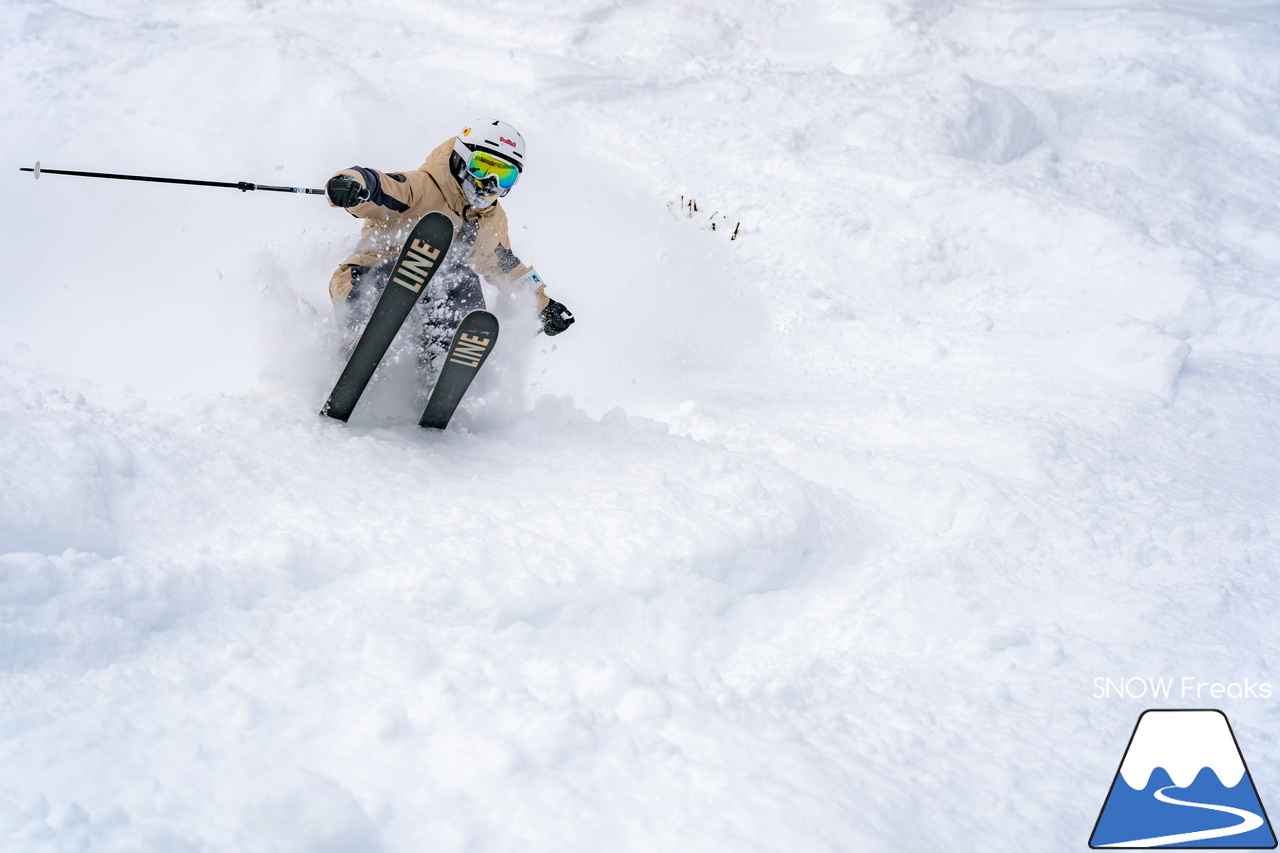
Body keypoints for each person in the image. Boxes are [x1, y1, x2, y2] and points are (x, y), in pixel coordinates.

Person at [324, 118, 574, 373]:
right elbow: (381, 186)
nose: (490, 183)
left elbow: (508, 268)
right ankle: (361, 337)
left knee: (462, 280)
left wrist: (543, 305)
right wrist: (352, 184)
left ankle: (443, 366)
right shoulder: (422, 188)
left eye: (505, 176)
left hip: (431, 303)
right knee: (419, 268)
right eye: (482, 167)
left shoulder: (490, 222)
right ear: (461, 159)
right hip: (370, 277)